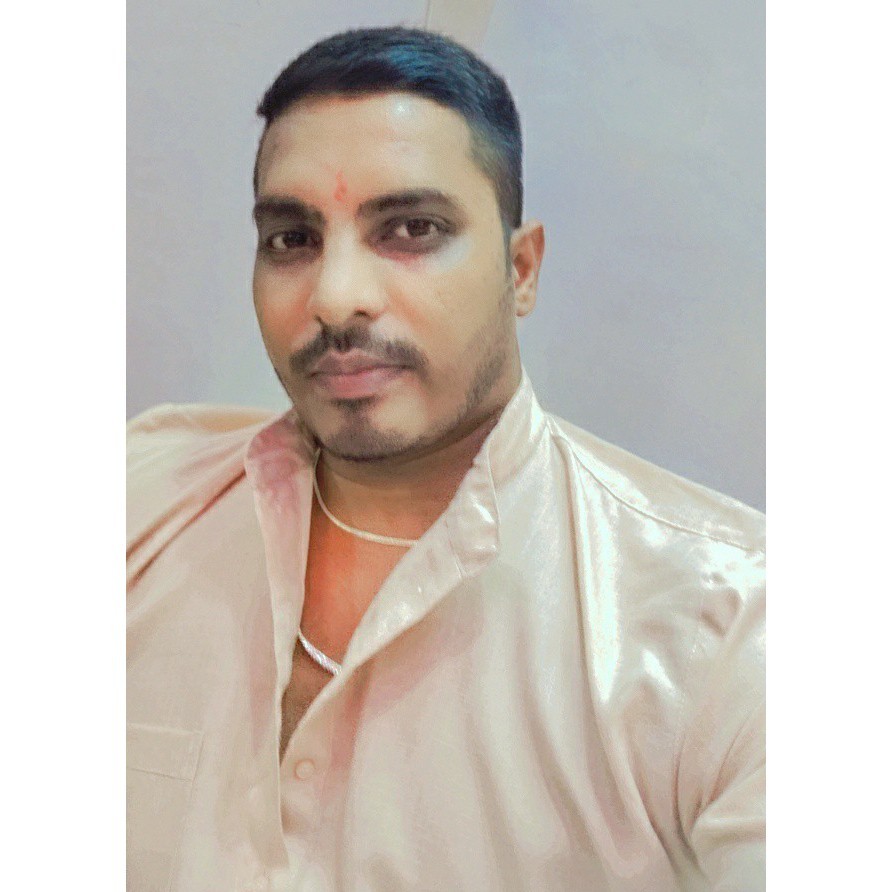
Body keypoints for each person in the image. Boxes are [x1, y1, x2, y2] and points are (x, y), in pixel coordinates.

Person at [127, 25, 765, 892]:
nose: (335, 297)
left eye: (410, 229)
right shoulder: (141, 500)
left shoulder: (728, 624)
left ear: (521, 269)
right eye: (292, 239)